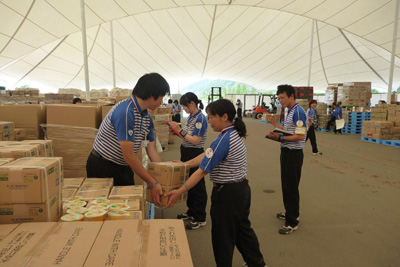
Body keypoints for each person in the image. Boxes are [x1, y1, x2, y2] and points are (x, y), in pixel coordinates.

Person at [166, 99, 266, 267]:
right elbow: (208, 154)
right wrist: (186, 164)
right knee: (242, 231)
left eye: (211, 117)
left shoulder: (224, 139)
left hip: (227, 195)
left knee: (223, 237)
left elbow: (202, 171)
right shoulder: (231, 133)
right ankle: (257, 263)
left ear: (224, 117)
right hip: (241, 190)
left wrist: (179, 191)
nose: (209, 121)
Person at [86, 72, 170, 206]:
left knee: (126, 205)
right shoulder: (126, 112)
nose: (161, 102)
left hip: (122, 165)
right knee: (104, 207)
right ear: (151, 93)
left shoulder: (146, 117)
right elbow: (129, 155)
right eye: (161, 97)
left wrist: (165, 174)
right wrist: (152, 182)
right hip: (103, 165)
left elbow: (151, 150)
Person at [267, 84, 307, 235]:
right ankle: (289, 211)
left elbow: (300, 136)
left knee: (291, 186)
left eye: (282, 97)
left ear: (291, 96)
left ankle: (292, 221)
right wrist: (275, 125)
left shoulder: (298, 112)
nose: (280, 100)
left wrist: (279, 137)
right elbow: (288, 131)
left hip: (293, 154)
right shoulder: (290, 111)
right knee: (286, 184)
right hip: (286, 151)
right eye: (278, 98)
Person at [169, 93, 208, 230]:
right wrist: (176, 131)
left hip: (195, 153)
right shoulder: (192, 117)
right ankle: (191, 211)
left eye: (185, 106)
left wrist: (180, 130)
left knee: (197, 185)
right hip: (186, 151)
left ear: (192, 104)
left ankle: (200, 216)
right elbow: (186, 136)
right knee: (188, 183)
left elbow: (196, 140)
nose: (183, 109)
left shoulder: (200, 119)